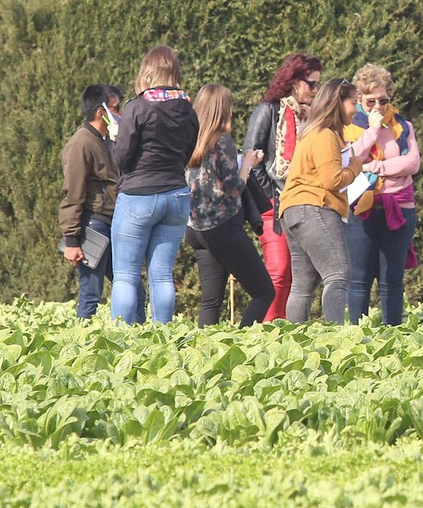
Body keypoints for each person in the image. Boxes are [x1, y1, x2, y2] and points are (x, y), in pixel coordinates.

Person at [110, 46, 199, 324]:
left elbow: (121, 157)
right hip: (176, 195)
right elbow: (188, 153)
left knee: (126, 274)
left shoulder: (136, 108)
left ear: (146, 72)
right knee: (161, 274)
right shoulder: (188, 109)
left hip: (139, 195)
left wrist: (116, 137)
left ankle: (119, 341)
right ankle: (162, 335)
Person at [278, 79, 376, 323]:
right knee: (338, 274)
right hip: (314, 207)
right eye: (353, 103)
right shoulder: (325, 135)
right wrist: (356, 165)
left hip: (292, 210)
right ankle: (335, 338)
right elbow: (333, 180)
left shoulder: (313, 131)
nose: (357, 109)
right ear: (337, 103)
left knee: (303, 285)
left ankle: (292, 341)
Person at [184, 83, 276, 326]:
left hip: (195, 228)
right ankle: (241, 345)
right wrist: (247, 164)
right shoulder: (221, 141)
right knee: (264, 292)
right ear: (222, 110)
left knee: (210, 302)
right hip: (222, 226)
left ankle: (205, 355)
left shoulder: (188, 140)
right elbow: (234, 187)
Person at [243, 53, 322, 322]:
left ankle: (288, 328)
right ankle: (268, 329)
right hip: (274, 205)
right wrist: (270, 197)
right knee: (278, 270)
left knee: (302, 274)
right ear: (293, 82)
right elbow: (251, 161)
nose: (315, 90)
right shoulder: (268, 111)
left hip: (304, 203)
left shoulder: (314, 117)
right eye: (312, 84)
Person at [344, 64, 422, 326]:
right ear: (359, 100)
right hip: (362, 209)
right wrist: (373, 131)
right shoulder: (349, 126)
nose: (378, 106)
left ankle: (393, 335)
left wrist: (375, 167)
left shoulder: (403, 125)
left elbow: (411, 163)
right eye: (370, 101)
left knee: (392, 279)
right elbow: (351, 159)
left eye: (384, 100)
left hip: (399, 207)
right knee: (359, 279)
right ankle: (357, 337)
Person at [59, 84, 133, 319]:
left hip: (112, 223)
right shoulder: (81, 144)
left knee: (131, 286)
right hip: (93, 226)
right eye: (117, 107)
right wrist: (72, 240)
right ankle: (80, 349)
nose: (121, 113)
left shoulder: (108, 140)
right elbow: (73, 193)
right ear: (102, 112)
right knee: (91, 294)